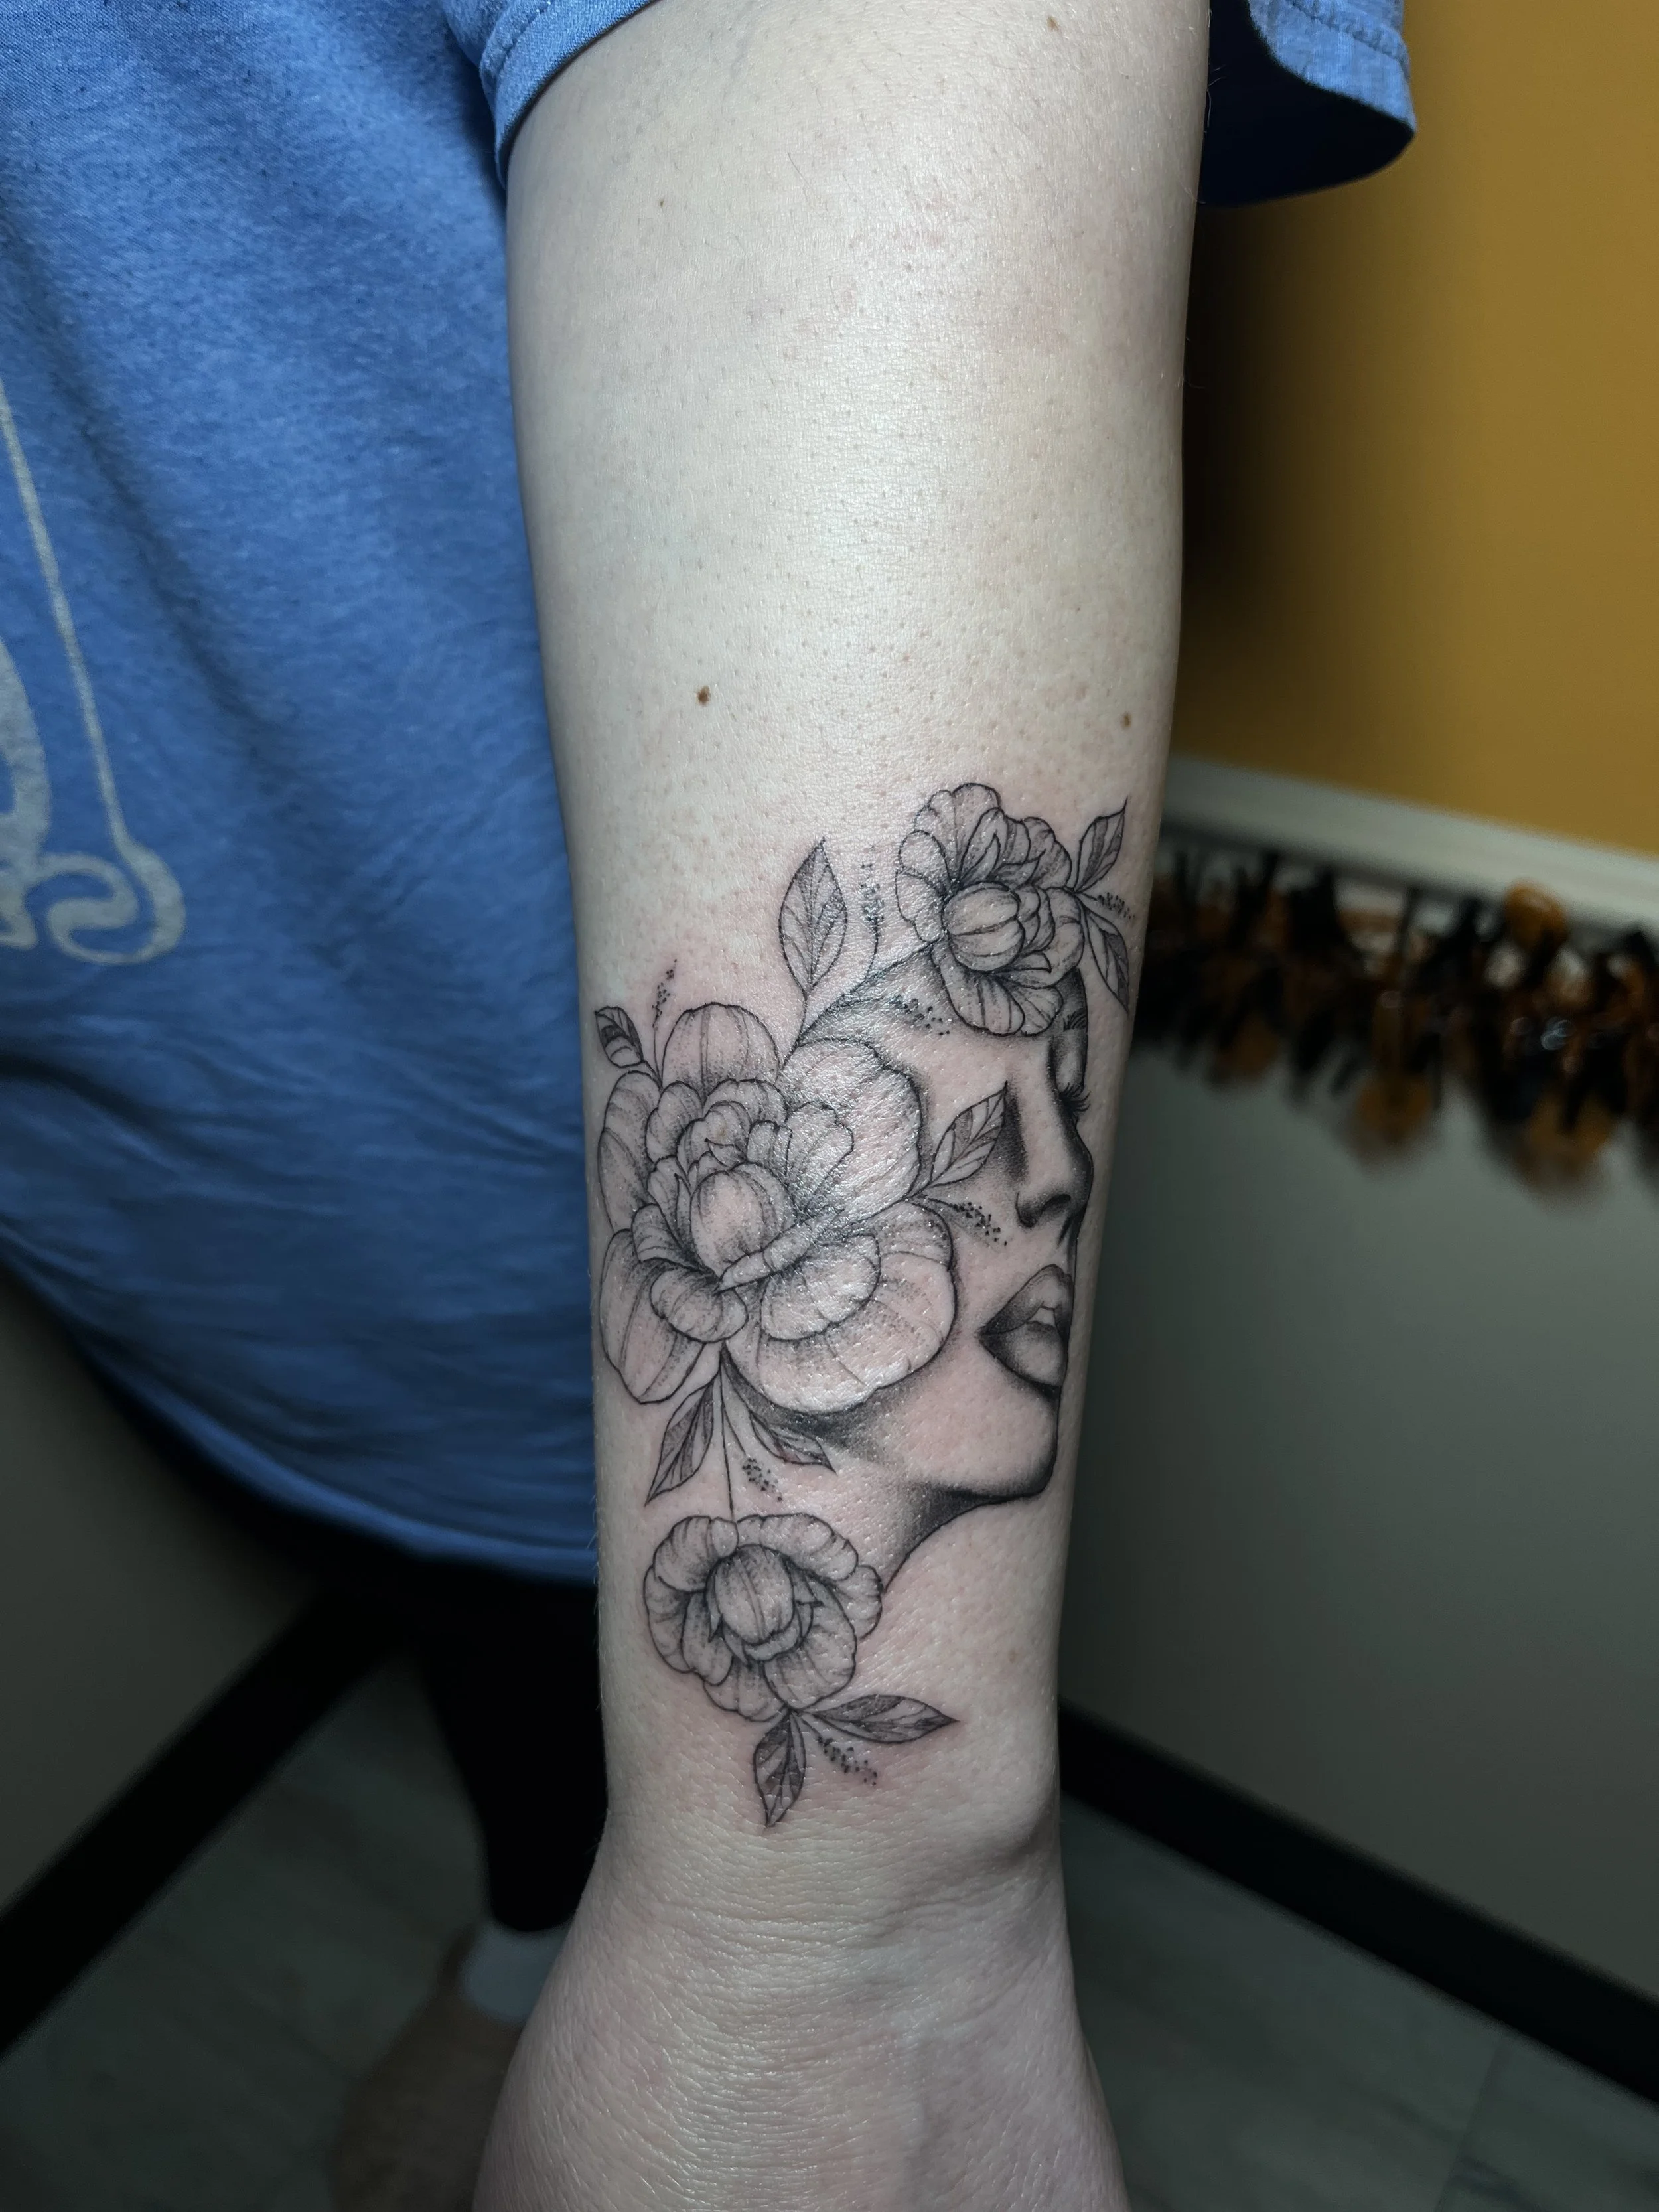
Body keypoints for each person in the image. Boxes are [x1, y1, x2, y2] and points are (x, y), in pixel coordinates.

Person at [0, 3, 1412, 2207]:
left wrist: (834, 1937)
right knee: (471, 1658)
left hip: (543, 1258)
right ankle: (528, 1907)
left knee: (569, 1653)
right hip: (151, 1214)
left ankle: (552, 1919)